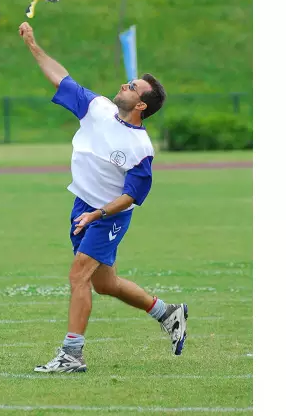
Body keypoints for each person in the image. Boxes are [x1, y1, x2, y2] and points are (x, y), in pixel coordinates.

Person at [19, 22, 188, 373]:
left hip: (107, 215)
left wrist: (97, 215)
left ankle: (71, 355)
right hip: (83, 206)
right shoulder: (97, 108)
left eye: (132, 86)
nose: (125, 85)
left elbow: (132, 196)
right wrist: (34, 45)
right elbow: (60, 78)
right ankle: (166, 312)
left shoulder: (141, 148)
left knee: (78, 276)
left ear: (140, 104)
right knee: (105, 283)